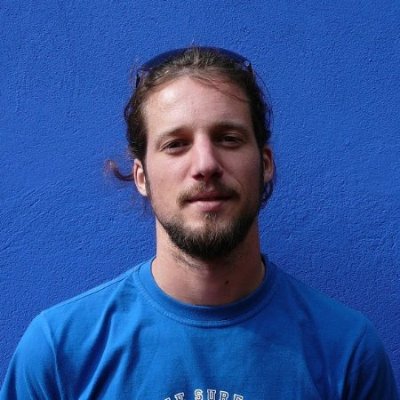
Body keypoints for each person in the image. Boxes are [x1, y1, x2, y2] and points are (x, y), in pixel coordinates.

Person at [1, 46, 398, 399]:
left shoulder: (347, 351)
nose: (205, 164)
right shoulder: (60, 352)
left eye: (228, 138)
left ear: (264, 164)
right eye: (176, 144)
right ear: (141, 176)